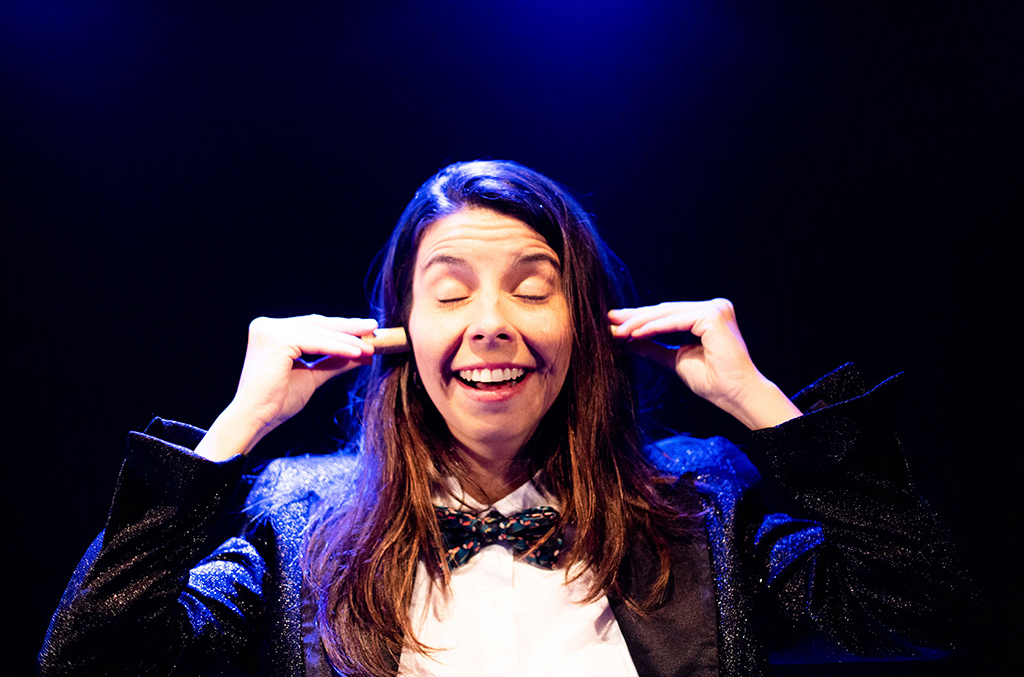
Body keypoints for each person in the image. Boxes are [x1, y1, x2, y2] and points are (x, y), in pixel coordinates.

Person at [39, 160, 974, 677]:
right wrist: (238, 426)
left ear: (588, 325)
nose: (490, 322)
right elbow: (89, 659)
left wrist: (756, 401)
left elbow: (924, 611)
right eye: (450, 294)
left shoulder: (701, 500)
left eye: (533, 288)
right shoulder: (297, 518)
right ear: (400, 331)